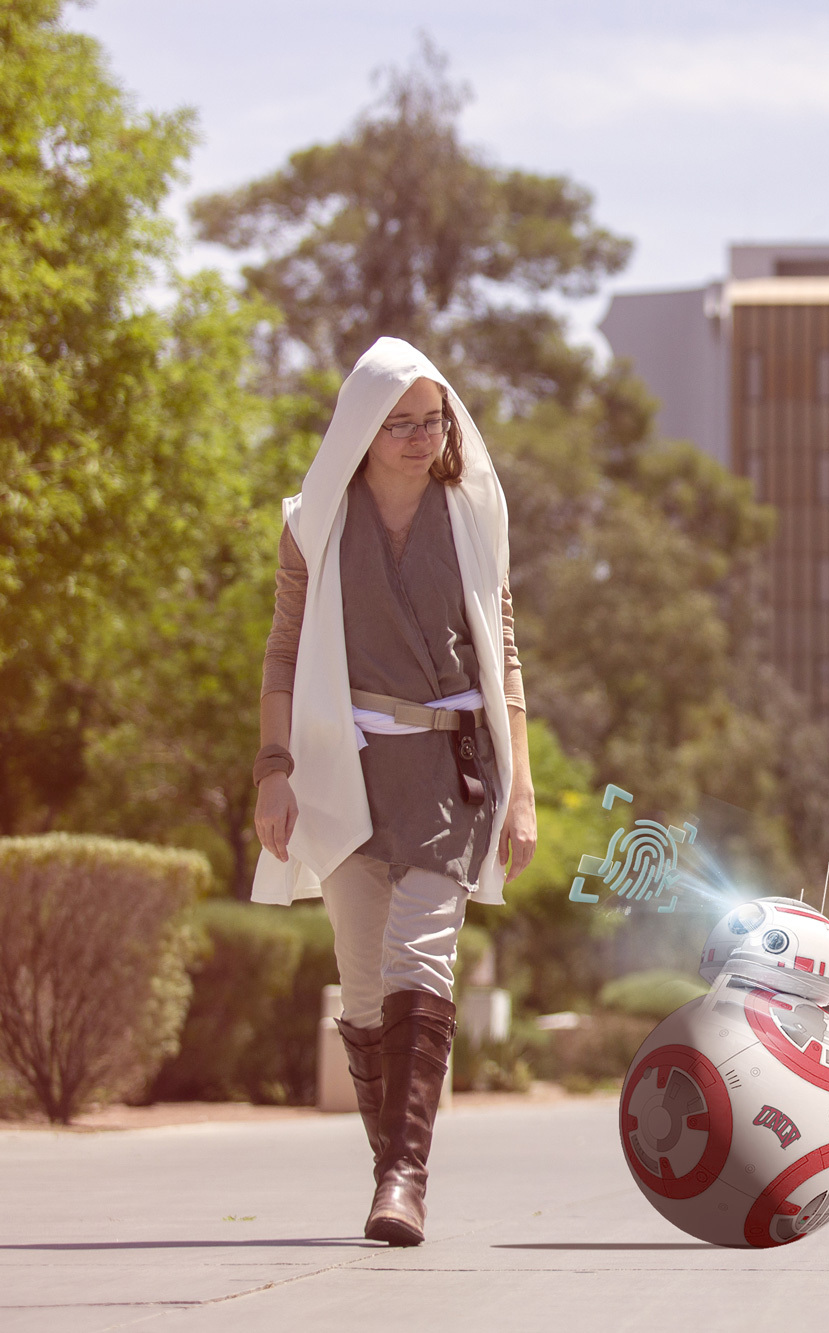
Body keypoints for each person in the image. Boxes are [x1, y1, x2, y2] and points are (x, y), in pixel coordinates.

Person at [250, 338, 537, 1247]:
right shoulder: (314, 524)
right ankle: (389, 1169)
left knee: (423, 955)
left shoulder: (474, 515)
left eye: (434, 418)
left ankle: (406, 1176)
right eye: (402, 422)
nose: (422, 436)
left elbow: (507, 662)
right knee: (365, 988)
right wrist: (272, 769)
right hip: (346, 769)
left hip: (451, 777)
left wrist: (520, 791)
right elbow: (285, 655)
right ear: (363, 432)